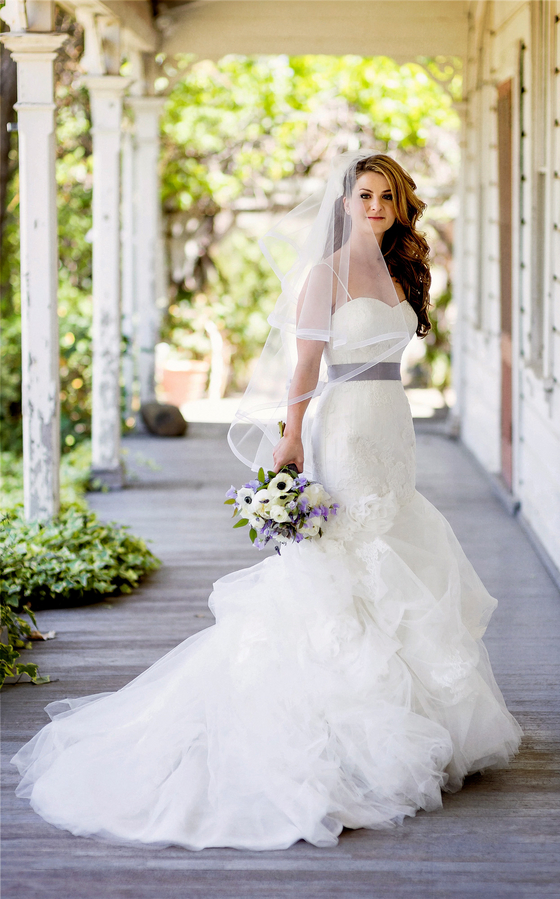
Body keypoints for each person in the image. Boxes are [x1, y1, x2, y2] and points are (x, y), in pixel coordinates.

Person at [11, 153, 522, 853]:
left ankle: (421, 711)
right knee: (345, 559)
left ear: (401, 205)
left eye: (387, 196)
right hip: (342, 429)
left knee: (396, 545)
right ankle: (344, 728)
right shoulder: (327, 274)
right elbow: (304, 368)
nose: (375, 205)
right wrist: (291, 439)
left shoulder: (403, 269)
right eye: (364, 194)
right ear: (344, 203)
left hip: (391, 430)